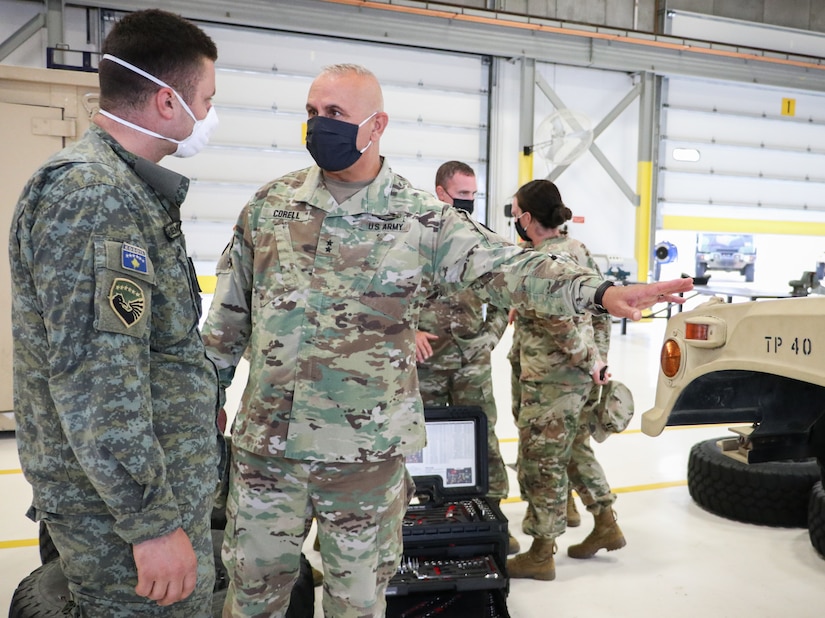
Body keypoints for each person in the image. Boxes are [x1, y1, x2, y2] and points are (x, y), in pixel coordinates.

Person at [201, 63, 692, 618]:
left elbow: (510, 267)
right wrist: (208, 398)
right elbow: (228, 319)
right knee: (251, 600)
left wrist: (600, 293)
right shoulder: (270, 206)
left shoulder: (421, 219)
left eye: (335, 114)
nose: (319, 125)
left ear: (376, 124)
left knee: (356, 604)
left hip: (366, 462)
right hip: (269, 453)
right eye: (312, 113)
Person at [9, 9, 224, 616]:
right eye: (204, 99)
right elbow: (99, 382)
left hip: (147, 493)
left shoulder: (126, 189)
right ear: (165, 101)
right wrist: (152, 527)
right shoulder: (94, 196)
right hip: (124, 518)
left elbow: (147, 347)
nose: (207, 115)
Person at [506, 179, 624, 582]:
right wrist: (599, 360)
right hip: (578, 379)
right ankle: (605, 521)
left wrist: (589, 358)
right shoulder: (577, 250)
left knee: (543, 462)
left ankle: (541, 552)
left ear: (526, 217)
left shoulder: (538, 264)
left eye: (514, 211)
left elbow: (559, 323)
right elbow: (601, 308)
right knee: (575, 448)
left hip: (551, 380)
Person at [414, 160, 517, 552]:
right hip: (427, 363)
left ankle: (493, 519)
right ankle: (424, 516)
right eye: (462, 196)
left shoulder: (483, 241)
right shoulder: (416, 240)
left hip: (471, 363)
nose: (469, 203)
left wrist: (487, 340)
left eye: (474, 196)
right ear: (440, 192)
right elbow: (386, 295)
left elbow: (505, 301)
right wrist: (408, 333)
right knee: (420, 440)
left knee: (483, 436)